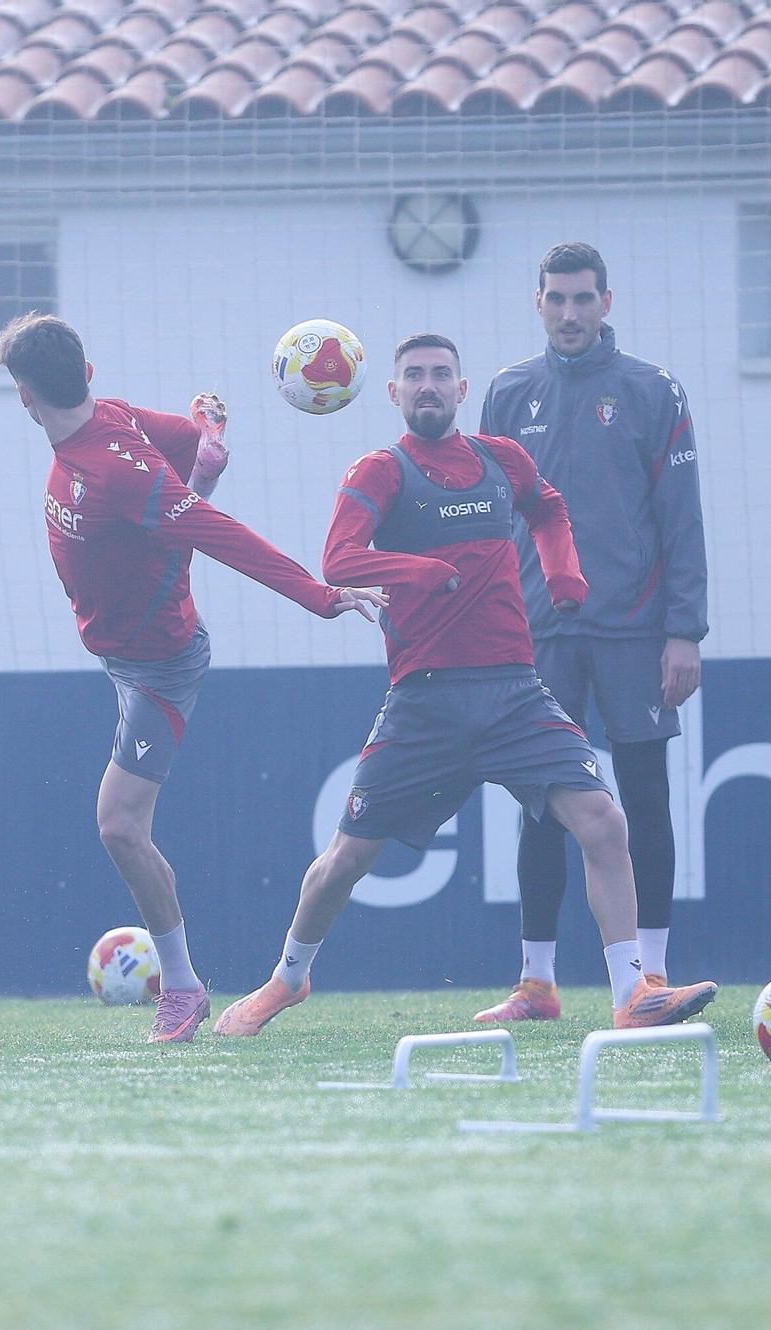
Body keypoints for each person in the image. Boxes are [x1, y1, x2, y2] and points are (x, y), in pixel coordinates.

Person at [215, 333, 718, 1037]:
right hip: (424, 701)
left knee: (603, 820)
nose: (428, 385)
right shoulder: (380, 470)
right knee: (345, 861)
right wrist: (415, 570)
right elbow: (338, 558)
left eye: (440, 375)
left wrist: (564, 571)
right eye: (414, 376)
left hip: (516, 693)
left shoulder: (501, 459)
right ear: (392, 392)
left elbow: (549, 509)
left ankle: (632, 993)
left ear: (461, 389)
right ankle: (287, 979)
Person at [0, 312, 384, 1045]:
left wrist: (321, 596)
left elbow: (219, 534)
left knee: (119, 824)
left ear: (23, 395)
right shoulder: (108, 420)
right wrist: (205, 441)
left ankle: (180, 989)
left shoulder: (111, 470)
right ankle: (181, 985)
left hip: (159, 664)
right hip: (121, 647)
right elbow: (179, 442)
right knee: (120, 823)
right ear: (88, 374)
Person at [472, 242, 709, 1023]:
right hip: (536, 635)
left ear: (607, 302)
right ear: (536, 304)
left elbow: (681, 519)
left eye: (583, 299)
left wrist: (686, 632)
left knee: (642, 796)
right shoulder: (506, 395)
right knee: (541, 802)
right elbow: (488, 520)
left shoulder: (652, 391)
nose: (570, 313)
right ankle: (537, 984)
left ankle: (654, 975)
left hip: (635, 633)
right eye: (556, 299)